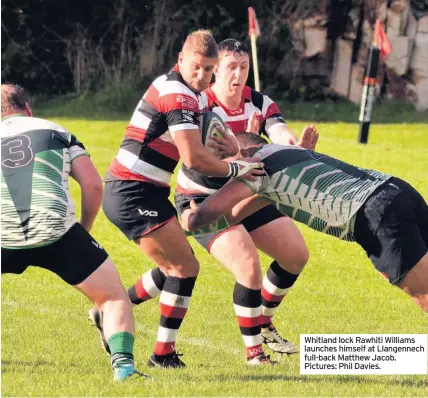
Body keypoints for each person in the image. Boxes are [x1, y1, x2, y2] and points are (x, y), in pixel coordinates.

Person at [128, 38, 319, 365]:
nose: (239, 74)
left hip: (248, 194)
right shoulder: (199, 105)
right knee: (242, 265)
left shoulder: (258, 102)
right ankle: (255, 355)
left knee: (295, 255)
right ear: (216, 70)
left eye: (244, 68)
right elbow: (194, 157)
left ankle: (264, 320)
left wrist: (296, 147)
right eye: (231, 67)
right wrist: (236, 156)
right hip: (202, 200)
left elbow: (280, 133)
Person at [92, 30, 263, 369]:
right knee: (184, 267)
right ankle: (162, 354)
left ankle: (109, 310)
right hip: (130, 190)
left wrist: (232, 147)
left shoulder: (196, 96)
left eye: (209, 69)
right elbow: (194, 159)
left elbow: (203, 142)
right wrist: (237, 168)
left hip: (148, 190)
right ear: (181, 60)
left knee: (171, 265)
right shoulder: (177, 94)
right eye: (196, 67)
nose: (202, 76)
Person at [183, 133, 428, 313]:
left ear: (246, 153)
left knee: (423, 294)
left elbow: (205, 216)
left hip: (375, 212)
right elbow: (234, 215)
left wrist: (190, 216)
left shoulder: (255, 166)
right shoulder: (279, 157)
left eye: (231, 162)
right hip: (397, 190)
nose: (230, 171)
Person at [0, 84, 146, 382]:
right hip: (55, 228)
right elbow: (92, 185)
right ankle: (124, 370)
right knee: (112, 296)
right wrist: (84, 229)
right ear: (28, 107)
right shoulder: (55, 129)